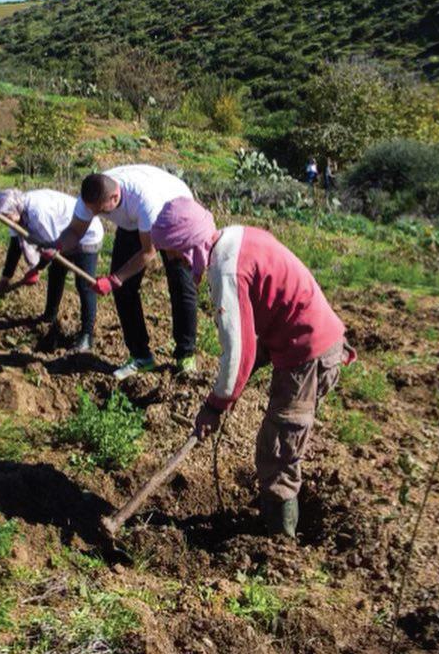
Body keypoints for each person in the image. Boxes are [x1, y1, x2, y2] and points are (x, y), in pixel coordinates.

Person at [151, 197, 354, 538]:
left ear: (186, 246)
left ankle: (279, 544)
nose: (173, 263)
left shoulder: (225, 269)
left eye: (172, 255)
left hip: (308, 351)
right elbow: (261, 318)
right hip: (303, 341)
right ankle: (275, 526)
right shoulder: (236, 236)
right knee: (276, 444)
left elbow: (238, 353)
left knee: (277, 451)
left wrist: (215, 406)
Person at [53, 165, 197, 380]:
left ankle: (185, 355)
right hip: (133, 222)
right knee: (124, 290)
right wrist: (56, 246)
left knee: (180, 284)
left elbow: (148, 252)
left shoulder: (145, 202)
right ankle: (141, 357)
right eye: (92, 210)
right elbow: (75, 231)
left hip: (175, 211)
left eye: (101, 211)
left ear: (115, 196)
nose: (95, 215)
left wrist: (113, 279)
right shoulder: (92, 197)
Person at [0, 188, 103, 353]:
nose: (5, 221)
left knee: (84, 284)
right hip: (63, 234)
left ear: (14, 210)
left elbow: (52, 249)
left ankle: (86, 336)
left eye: (6, 217)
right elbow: (15, 246)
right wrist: (5, 279)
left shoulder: (37, 212)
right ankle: (49, 317)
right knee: (56, 273)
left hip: (87, 233)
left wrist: (37, 269)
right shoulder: (16, 210)